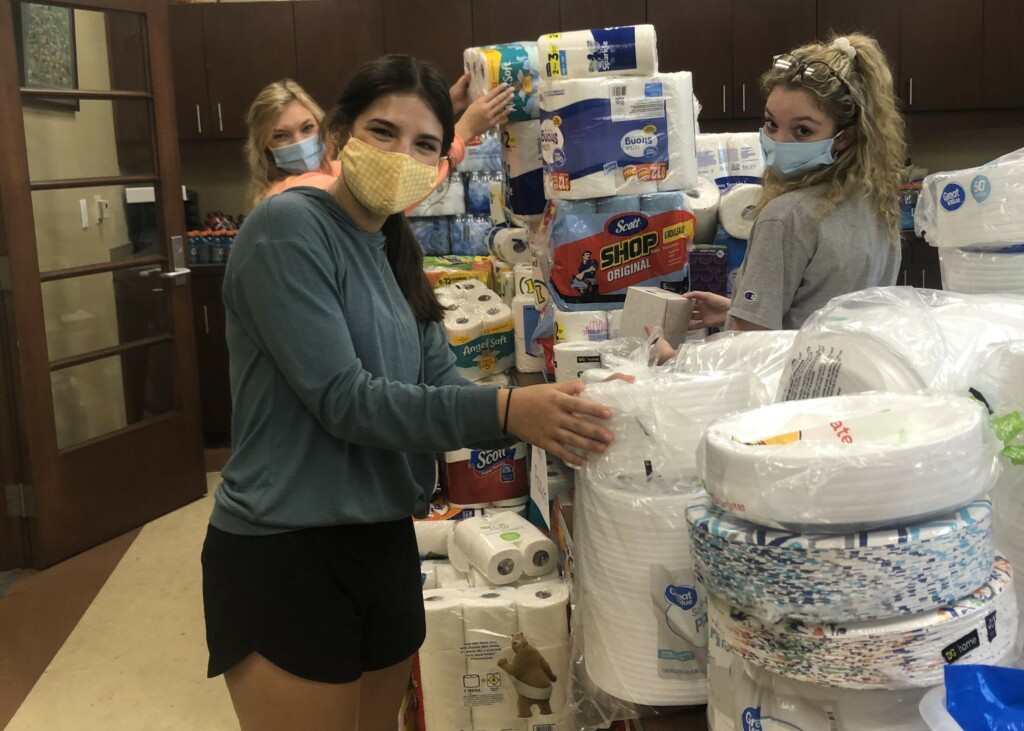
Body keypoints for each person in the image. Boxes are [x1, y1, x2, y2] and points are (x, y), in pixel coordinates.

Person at [201, 54, 614, 731]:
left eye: (426, 142)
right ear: (337, 138)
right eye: (382, 132)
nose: (403, 154)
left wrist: (560, 397)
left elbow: (440, 386)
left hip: (385, 540)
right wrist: (512, 410)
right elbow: (347, 398)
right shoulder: (287, 230)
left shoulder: (394, 248)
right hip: (287, 551)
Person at [664, 33, 905, 356]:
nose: (779, 141)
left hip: (792, 395)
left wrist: (675, 360)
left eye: (802, 131)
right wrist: (739, 310)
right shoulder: (877, 204)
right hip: (855, 383)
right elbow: (825, 308)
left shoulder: (787, 216)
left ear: (844, 138)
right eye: (771, 124)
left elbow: (745, 351)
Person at [244, 75, 514, 208]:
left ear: (324, 127)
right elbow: (394, 185)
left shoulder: (333, 170)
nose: (300, 141)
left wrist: (438, 109)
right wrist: (464, 130)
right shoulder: (296, 194)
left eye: (307, 128)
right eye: (281, 136)